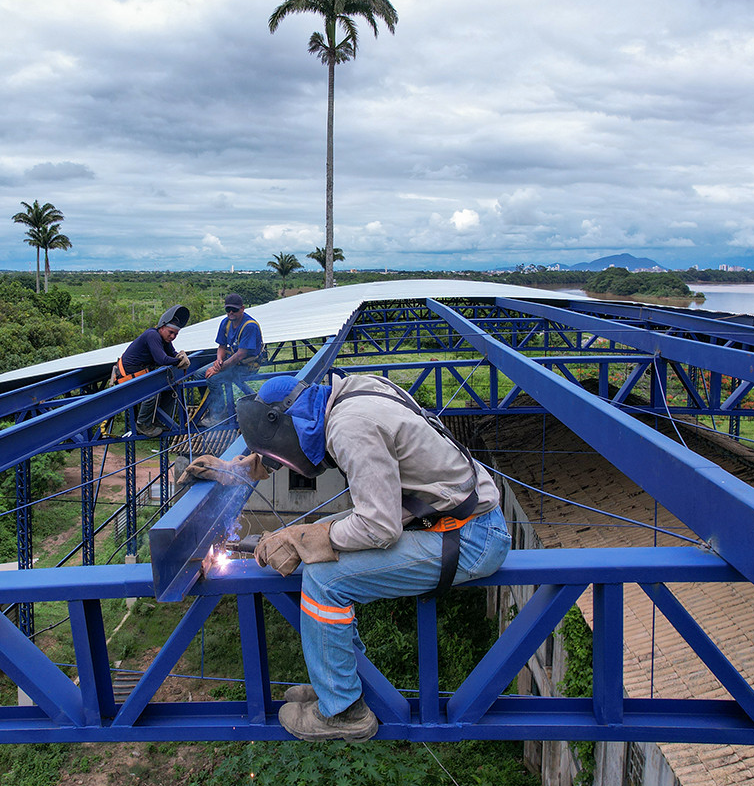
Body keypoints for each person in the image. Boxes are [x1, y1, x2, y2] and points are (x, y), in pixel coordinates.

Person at [235, 373, 511, 742]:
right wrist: (254, 471)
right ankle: (339, 680)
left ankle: (342, 710)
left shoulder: (350, 428)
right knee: (316, 543)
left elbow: (378, 527)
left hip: (469, 536)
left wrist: (309, 539)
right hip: (445, 513)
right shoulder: (350, 391)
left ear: (286, 422)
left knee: (324, 580)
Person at [113, 305, 190, 437]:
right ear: (162, 327)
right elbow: (162, 359)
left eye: (175, 334)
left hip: (140, 375)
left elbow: (172, 354)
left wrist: (179, 356)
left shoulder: (164, 340)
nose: (172, 336)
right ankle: (143, 424)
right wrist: (178, 361)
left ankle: (160, 421)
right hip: (127, 377)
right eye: (170, 332)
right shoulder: (152, 336)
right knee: (151, 393)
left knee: (171, 389)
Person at [200, 293, 263, 427]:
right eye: (228, 309)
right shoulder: (226, 322)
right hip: (231, 362)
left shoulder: (249, 326)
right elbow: (221, 346)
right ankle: (212, 407)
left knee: (213, 379)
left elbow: (240, 354)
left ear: (242, 309)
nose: (231, 312)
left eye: (234, 309)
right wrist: (219, 360)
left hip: (247, 367)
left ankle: (220, 413)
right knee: (199, 374)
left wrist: (219, 368)